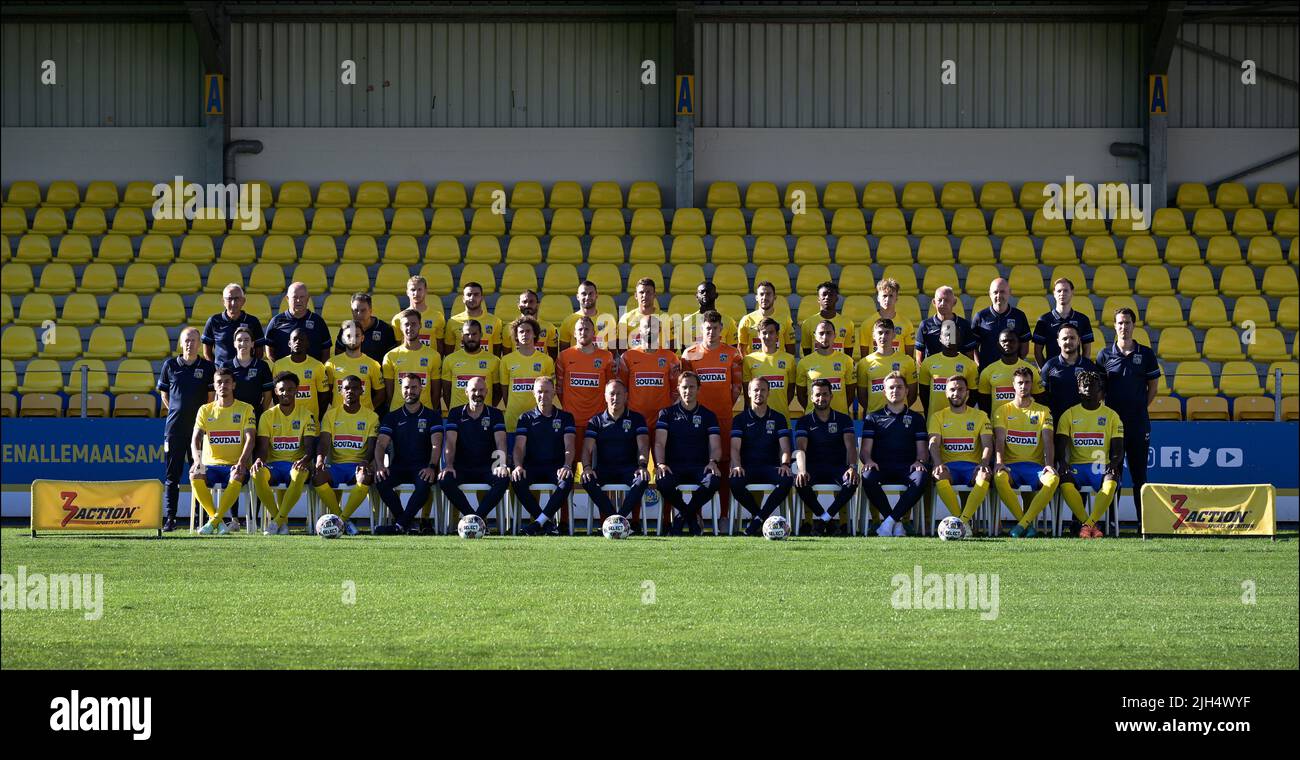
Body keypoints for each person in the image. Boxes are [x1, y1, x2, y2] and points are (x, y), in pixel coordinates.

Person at [1096, 307, 1160, 517]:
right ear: (1114, 326)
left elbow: (1153, 388)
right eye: (1120, 323)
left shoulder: (1146, 354)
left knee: (1140, 475)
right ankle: (1112, 523)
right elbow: (1099, 391)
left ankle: (1144, 523)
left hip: (1138, 424)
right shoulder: (1104, 355)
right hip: (1113, 426)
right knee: (1113, 474)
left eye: (1128, 323)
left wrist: (1139, 406)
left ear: (1134, 325)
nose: (1124, 327)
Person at [680, 310, 743, 500]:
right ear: (702, 328)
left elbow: (737, 387)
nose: (711, 332)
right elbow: (685, 387)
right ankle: (697, 516)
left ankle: (724, 515)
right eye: (708, 328)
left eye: (715, 328)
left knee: (723, 464)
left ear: (721, 329)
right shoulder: (689, 354)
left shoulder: (732, 354)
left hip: (723, 417)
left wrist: (723, 407)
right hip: (695, 419)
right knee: (697, 462)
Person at [157, 327, 216, 531]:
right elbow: (165, 394)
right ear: (181, 343)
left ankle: (201, 517)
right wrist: (176, 409)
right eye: (187, 340)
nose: (190, 344)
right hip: (174, 429)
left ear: (200, 344)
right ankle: (170, 518)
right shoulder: (170, 365)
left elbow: (211, 398)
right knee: (172, 475)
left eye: (194, 340)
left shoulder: (208, 367)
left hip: (199, 432)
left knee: (199, 473)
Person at [1055, 370, 1125, 538]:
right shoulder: (1069, 414)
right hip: (1077, 468)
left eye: (1091, 385)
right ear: (1078, 389)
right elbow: (1060, 446)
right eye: (1083, 385)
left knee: (1112, 478)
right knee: (1064, 478)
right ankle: (1091, 525)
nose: (1087, 388)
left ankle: (1087, 525)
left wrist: (1113, 465)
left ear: (1099, 389)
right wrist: (1062, 463)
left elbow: (1118, 449)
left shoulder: (1111, 415)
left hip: (1099, 468)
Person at [860, 371, 930, 537]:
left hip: (907, 467)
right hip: (881, 467)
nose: (895, 390)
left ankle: (889, 522)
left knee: (921, 477)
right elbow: (864, 450)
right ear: (884, 391)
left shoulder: (916, 418)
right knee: (867, 475)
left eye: (899, 387)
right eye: (891, 387)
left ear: (907, 391)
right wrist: (868, 460)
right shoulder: (873, 418)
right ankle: (896, 523)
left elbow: (922, 450)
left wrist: (920, 461)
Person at [371, 374, 444, 535]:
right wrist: (381, 466)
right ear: (400, 390)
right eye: (406, 387)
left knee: (425, 483)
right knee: (381, 481)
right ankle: (404, 523)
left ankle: (400, 525)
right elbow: (381, 444)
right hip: (399, 466)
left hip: (422, 467)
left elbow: (436, 445)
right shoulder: (392, 416)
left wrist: (432, 466)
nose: (409, 391)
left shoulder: (432, 416)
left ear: (421, 389)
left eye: (413, 387)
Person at [993, 367, 1060, 538]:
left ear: (1032, 384)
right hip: (1011, 468)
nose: (1024, 386)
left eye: (1027, 382)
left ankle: (1022, 524)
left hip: (1034, 468)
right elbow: (999, 440)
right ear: (1013, 386)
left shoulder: (1043, 411)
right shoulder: (1002, 410)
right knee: (999, 477)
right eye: (1020, 383)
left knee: (1053, 479)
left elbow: (1048, 440)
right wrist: (1000, 462)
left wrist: (1049, 465)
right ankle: (1027, 525)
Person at [654, 372, 723, 536]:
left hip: (700, 466)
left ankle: (680, 518)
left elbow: (716, 445)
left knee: (713, 480)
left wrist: (713, 461)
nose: (688, 391)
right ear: (678, 388)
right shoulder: (666, 414)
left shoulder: (709, 415)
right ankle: (691, 518)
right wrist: (660, 464)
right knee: (662, 480)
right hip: (674, 466)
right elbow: (659, 443)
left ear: (699, 389)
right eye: (684, 387)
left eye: (692, 387)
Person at [189, 368, 257, 535]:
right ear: (214, 385)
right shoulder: (205, 409)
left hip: (235, 465)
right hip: (210, 465)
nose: (223, 385)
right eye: (219, 382)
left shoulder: (246, 409)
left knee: (238, 474)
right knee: (195, 474)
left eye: (227, 381)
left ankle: (213, 522)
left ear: (233, 385)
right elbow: (195, 440)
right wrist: (197, 460)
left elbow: (251, 438)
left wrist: (241, 462)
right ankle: (217, 521)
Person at [250, 371, 317, 535]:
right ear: (275, 391)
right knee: (257, 472)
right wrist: (259, 460)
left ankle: (277, 522)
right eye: (282, 390)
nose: (286, 393)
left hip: (295, 464)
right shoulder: (267, 416)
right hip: (274, 466)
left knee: (299, 472)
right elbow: (263, 448)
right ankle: (279, 520)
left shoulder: (306, 414)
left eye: (290, 389)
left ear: (297, 391)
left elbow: (310, 448)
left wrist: (305, 459)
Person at [438, 376, 511, 526]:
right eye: (473, 390)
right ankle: (474, 517)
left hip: (488, 468)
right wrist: (449, 465)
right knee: (445, 480)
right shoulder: (455, 413)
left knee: (503, 479)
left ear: (487, 392)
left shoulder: (496, 414)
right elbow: (450, 442)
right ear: (466, 392)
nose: (477, 393)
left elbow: (501, 441)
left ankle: (475, 519)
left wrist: (502, 465)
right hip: (462, 467)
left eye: (481, 390)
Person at [312, 375, 379, 536]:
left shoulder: (371, 416)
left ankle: (340, 520)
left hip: (357, 466)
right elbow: (324, 442)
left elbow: (372, 447)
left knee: (365, 477)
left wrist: (365, 461)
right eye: (346, 388)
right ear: (340, 391)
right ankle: (344, 521)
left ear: (362, 391)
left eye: (355, 388)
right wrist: (320, 459)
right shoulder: (331, 415)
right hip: (336, 466)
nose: (350, 391)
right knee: (317, 477)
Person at [582, 380, 652, 530]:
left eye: (619, 394)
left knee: (643, 478)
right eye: (612, 394)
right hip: (603, 469)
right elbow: (587, 448)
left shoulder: (637, 419)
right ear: (605, 396)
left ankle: (616, 520)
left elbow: (643, 446)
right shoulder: (596, 421)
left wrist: (642, 466)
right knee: (586, 479)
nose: (615, 398)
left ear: (626, 396)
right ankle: (617, 520)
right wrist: (587, 467)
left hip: (629, 469)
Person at [511, 377, 576, 536]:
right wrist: (518, 466)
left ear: (553, 393)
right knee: (516, 479)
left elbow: (569, 446)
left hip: (556, 467)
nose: (543, 395)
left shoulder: (566, 417)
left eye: (547, 391)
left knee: (567, 478)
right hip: (532, 466)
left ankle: (538, 523)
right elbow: (519, 447)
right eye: (539, 392)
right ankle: (546, 524)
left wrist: (567, 465)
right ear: (533, 393)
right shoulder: (525, 418)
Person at [729, 378, 794, 536]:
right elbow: (734, 448)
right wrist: (737, 465)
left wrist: (785, 465)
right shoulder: (740, 419)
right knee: (734, 481)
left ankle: (757, 520)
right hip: (747, 467)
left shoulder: (778, 418)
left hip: (770, 467)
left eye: (763, 390)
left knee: (787, 479)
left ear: (768, 393)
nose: (759, 393)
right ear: (749, 393)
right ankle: (762, 518)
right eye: (756, 390)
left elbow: (785, 447)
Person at [794, 379, 860, 536]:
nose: (821, 398)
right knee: (800, 481)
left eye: (825, 394)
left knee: (852, 480)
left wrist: (852, 467)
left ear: (831, 396)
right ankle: (824, 519)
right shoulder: (804, 421)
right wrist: (802, 470)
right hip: (813, 468)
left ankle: (825, 518)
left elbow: (851, 446)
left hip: (838, 467)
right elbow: (801, 448)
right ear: (811, 398)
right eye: (817, 395)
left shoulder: (844, 419)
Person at [928, 376, 993, 527]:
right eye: (952, 389)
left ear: (967, 393)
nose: (956, 393)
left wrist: (984, 462)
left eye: (960, 389)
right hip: (949, 467)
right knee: (938, 473)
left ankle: (961, 522)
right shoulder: (938, 416)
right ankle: (963, 522)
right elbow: (933, 443)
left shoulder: (980, 416)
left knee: (984, 474)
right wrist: (937, 463)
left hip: (972, 467)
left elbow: (988, 444)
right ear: (946, 393)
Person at [556, 316, 616, 445]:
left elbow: (611, 388)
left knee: (596, 462)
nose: (583, 332)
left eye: (587, 329)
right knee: (571, 461)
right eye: (580, 329)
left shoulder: (607, 357)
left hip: (598, 421)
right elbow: (559, 389)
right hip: (572, 420)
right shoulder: (563, 356)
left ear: (594, 333)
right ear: (575, 333)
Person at [617, 315, 681, 427]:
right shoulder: (627, 357)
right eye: (646, 327)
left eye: (654, 327)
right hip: (635, 418)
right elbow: (622, 387)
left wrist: (669, 411)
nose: (650, 330)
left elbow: (676, 390)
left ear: (660, 329)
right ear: (640, 330)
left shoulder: (671, 358)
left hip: (662, 418)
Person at [499, 316, 557, 432]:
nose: (524, 334)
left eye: (528, 331)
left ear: (535, 334)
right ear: (515, 336)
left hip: (538, 419)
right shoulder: (506, 360)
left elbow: (551, 391)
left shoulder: (546, 360)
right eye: (521, 331)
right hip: (513, 419)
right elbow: (504, 391)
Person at [382, 308, 442, 412]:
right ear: (400, 327)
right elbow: (389, 392)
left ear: (420, 325)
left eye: (413, 324)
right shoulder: (390, 356)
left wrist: (429, 411)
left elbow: (436, 392)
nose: (410, 327)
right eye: (406, 324)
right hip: (397, 412)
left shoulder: (434, 356)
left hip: (425, 412)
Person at [1040, 324, 1101, 423]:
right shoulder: (1049, 366)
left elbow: (1097, 395)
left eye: (1072, 338)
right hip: (1056, 420)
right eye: (1064, 338)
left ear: (1078, 341)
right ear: (1058, 342)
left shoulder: (1089, 366)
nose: (1068, 341)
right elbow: (1041, 396)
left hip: (1083, 421)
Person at [918, 319, 978, 421]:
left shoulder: (970, 364)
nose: (949, 337)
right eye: (946, 334)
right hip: (935, 420)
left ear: (959, 338)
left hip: (960, 420)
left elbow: (973, 395)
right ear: (940, 338)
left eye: (953, 334)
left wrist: (961, 411)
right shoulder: (928, 363)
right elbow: (924, 394)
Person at [857, 318, 918, 416]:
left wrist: (897, 410)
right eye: (880, 333)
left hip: (900, 417)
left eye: (887, 332)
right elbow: (862, 397)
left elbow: (912, 394)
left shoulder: (907, 361)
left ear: (894, 335)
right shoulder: (864, 363)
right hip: (875, 419)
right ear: (873, 335)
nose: (883, 336)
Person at [796, 319, 857, 416]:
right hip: (813, 418)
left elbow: (850, 392)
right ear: (815, 336)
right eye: (821, 333)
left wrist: (840, 410)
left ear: (834, 335)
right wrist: (816, 411)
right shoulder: (804, 363)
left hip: (840, 417)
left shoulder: (847, 361)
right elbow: (801, 394)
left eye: (828, 333)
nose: (825, 337)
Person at [975, 328, 1043, 413]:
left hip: (1024, 423)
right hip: (998, 423)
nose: (1007, 343)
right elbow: (983, 403)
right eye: (1004, 341)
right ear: (998, 345)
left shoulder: (1031, 370)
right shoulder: (988, 371)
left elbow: (1040, 400)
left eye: (1012, 341)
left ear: (1018, 344)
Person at [441, 319, 503, 411]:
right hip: (458, 416)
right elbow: (446, 392)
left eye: (474, 334)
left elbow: (498, 392)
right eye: (467, 334)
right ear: (462, 335)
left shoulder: (494, 360)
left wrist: (485, 408)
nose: (470, 337)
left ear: (481, 335)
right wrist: (455, 410)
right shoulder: (450, 359)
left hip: (484, 415)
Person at [742, 317, 796, 420]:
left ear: (777, 335)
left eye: (771, 332)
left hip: (782, 417)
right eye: (764, 333)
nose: (767, 336)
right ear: (758, 335)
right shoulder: (749, 359)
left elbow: (791, 390)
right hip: (756, 418)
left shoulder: (789, 359)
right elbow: (746, 391)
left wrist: (780, 407)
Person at [270, 327, 331, 419]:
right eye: (295, 339)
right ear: (289, 343)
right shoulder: (279, 365)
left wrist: (317, 417)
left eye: (301, 340)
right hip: (287, 419)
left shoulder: (317, 366)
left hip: (310, 420)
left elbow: (324, 396)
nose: (298, 342)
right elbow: (275, 394)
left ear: (307, 344)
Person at [326, 320, 386, 411]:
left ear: (362, 338)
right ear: (343, 339)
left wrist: (367, 410)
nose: (353, 339)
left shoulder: (372, 364)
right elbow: (327, 393)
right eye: (349, 336)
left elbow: (381, 393)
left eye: (356, 336)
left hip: (364, 419)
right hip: (338, 418)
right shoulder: (331, 364)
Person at [264, 281, 332, 363]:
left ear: (307, 298)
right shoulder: (276, 321)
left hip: (312, 374)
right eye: (295, 297)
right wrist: (278, 368)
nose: (298, 300)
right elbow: (269, 350)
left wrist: (320, 370)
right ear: (287, 299)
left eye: (302, 297)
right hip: (285, 373)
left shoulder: (318, 321)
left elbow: (326, 351)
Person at [1033, 277, 1094, 363]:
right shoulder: (1044, 320)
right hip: (1053, 372)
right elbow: (1037, 351)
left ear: (1072, 292)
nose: (1062, 293)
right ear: (1054, 293)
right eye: (1059, 291)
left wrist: (1082, 369)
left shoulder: (1082, 319)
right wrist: (1044, 371)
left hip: (1076, 372)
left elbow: (1087, 349)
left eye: (1066, 290)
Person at [971, 278, 1030, 368]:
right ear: (990, 294)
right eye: (995, 292)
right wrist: (979, 365)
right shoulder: (981, 316)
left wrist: (1017, 364)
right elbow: (973, 347)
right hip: (987, 371)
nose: (998, 295)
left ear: (1009, 293)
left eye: (1002, 292)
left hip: (1013, 371)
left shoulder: (1019, 316)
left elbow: (1025, 346)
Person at [202, 283, 264, 366]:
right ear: (223, 301)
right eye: (229, 299)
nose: (233, 303)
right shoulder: (214, 321)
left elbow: (259, 351)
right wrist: (217, 368)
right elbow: (207, 352)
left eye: (237, 299)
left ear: (243, 301)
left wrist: (250, 368)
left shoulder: (253, 321)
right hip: (222, 374)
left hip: (246, 373)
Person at [915, 285, 976, 365]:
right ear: (934, 302)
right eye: (939, 300)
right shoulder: (925, 325)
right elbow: (919, 357)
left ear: (954, 302)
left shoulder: (964, 325)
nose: (942, 304)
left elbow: (970, 357)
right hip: (934, 373)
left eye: (946, 300)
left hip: (957, 373)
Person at [857, 277, 913, 358]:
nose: (887, 299)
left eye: (891, 296)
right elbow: (864, 358)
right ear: (878, 298)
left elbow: (909, 358)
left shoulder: (906, 324)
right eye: (884, 296)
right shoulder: (867, 324)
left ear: (896, 298)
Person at [444, 282, 504, 357]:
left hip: (486, 366)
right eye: (469, 294)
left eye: (476, 295)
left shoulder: (495, 321)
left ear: (482, 298)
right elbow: (449, 352)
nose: (472, 298)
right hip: (461, 366)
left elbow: (497, 350)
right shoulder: (453, 321)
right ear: (463, 299)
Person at [737, 281, 796, 356]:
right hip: (755, 366)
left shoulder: (785, 319)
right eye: (761, 294)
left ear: (774, 297)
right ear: (756, 298)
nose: (764, 297)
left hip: (777, 365)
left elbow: (790, 348)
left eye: (768, 294)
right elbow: (741, 349)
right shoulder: (746, 320)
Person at [337, 292, 397, 364]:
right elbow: (339, 355)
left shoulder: (385, 329)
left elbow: (392, 357)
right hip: (351, 372)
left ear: (371, 311)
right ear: (351, 311)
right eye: (356, 310)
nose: (359, 314)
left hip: (377, 373)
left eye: (363, 310)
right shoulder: (346, 330)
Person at [391, 276, 445, 354]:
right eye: (413, 290)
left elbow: (440, 345)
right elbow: (398, 345)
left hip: (429, 362)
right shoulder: (398, 319)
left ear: (426, 291)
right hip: (407, 361)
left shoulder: (437, 317)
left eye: (419, 289)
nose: (416, 293)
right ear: (407, 292)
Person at [800, 281, 855, 355]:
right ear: (818, 299)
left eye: (831, 295)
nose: (827, 297)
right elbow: (807, 352)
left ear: (836, 298)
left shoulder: (847, 323)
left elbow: (848, 352)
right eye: (824, 294)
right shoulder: (807, 323)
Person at [680, 281, 738, 349]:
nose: (705, 294)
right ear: (696, 296)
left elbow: (733, 349)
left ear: (716, 295)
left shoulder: (728, 321)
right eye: (702, 292)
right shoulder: (686, 321)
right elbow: (684, 350)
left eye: (708, 292)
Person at [560, 280, 615, 352]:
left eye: (591, 294)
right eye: (584, 294)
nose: (587, 297)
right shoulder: (568, 321)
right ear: (577, 297)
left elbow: (612, 351)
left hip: (600, 362)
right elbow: (564, 352)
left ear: (596, 296)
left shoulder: (609, 319)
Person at [618, 277, 665, 352]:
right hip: (635, 361)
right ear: (636, 295)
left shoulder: (666, 318)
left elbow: (672, 346)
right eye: (641, 292)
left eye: (648, 292)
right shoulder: (626, 319)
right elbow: (621, 347)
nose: (645, 295)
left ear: (654, 295)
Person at [516, 289, 558, 359]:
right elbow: (507, 356)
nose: (527, 305)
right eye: (524, 302)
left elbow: (553, 357)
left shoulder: (549, 328)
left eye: (531, 302)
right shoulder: (510, 328)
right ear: (518, 305)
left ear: (538, 304)